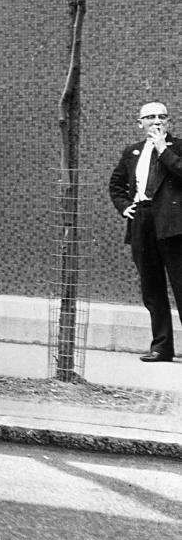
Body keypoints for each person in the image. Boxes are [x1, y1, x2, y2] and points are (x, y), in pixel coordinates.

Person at [109, 101, 182, 362]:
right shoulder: (133, 152)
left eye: (162, 116)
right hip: (142, 221)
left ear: (169, 122)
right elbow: (116, 183)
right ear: (140, 123)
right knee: (152, 288)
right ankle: (161, 347)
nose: (156, 121)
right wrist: (125, 207)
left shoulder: (179, 148)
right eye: (149, 117)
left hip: (174, 225)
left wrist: (163, 149)